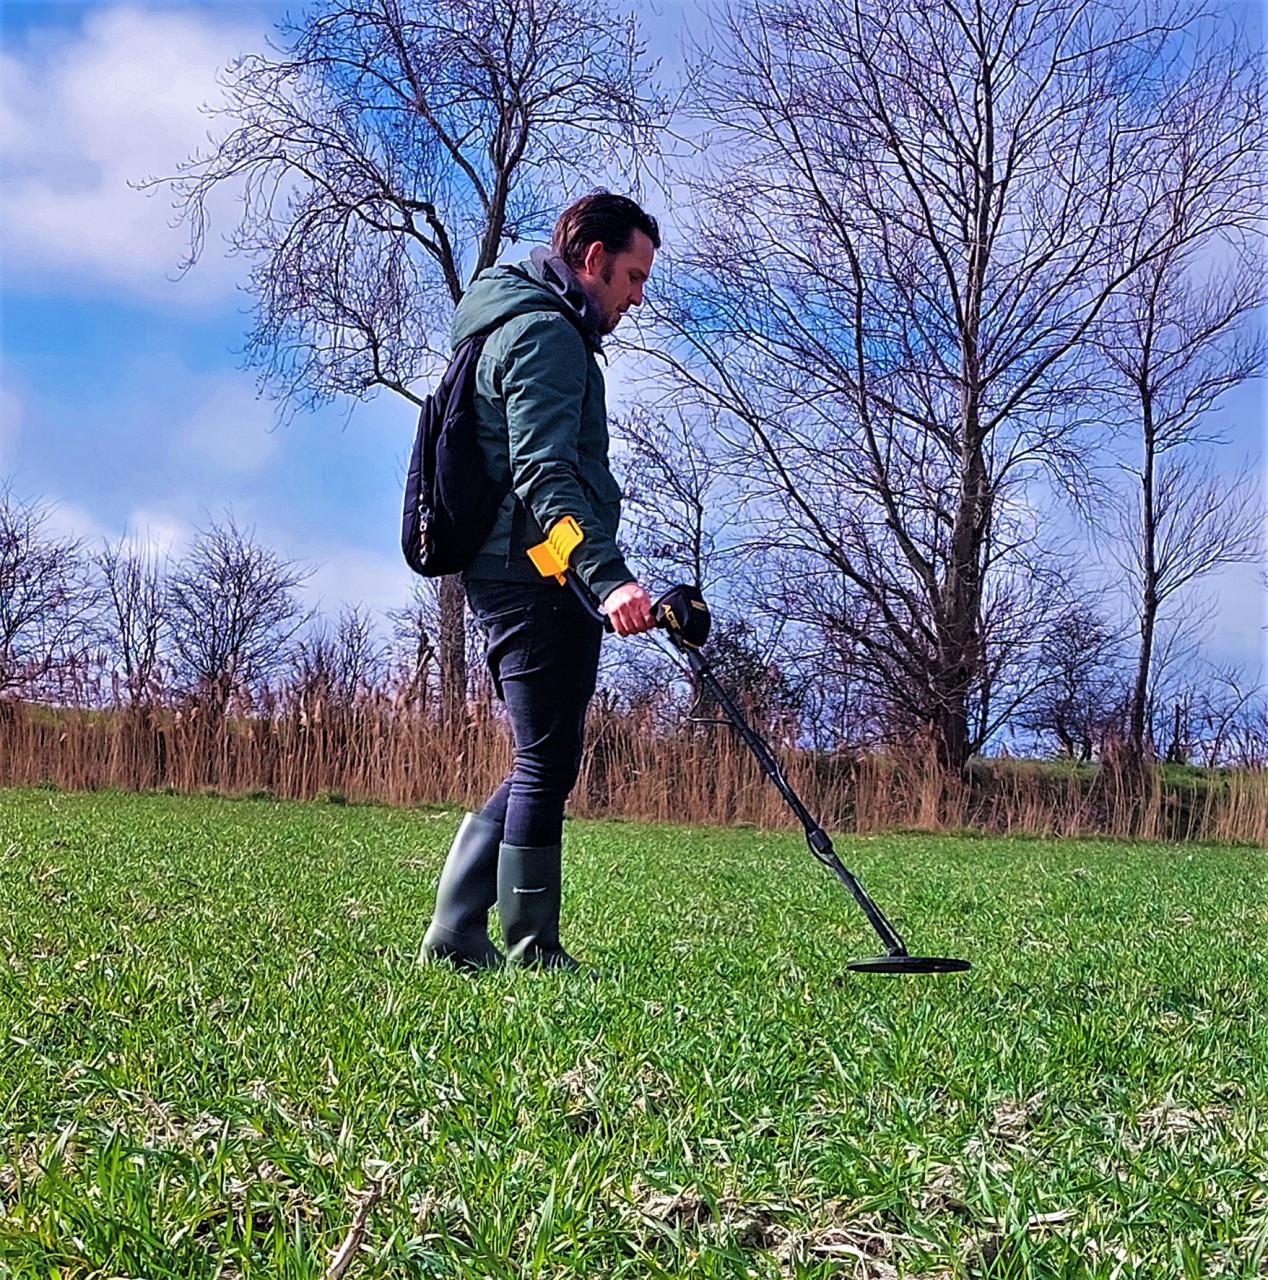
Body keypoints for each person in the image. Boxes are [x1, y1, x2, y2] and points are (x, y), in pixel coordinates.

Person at [420, 192, 660, 973]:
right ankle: (525, 946)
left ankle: (460, 932)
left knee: (543, 758)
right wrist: (607, 579)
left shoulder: (517, 325)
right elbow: (546, 479)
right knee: (546, 759)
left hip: (527, 570)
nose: (635, 295)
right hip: (531, 575)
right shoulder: (545, 338)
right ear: (592, 260)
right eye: (631, 275)